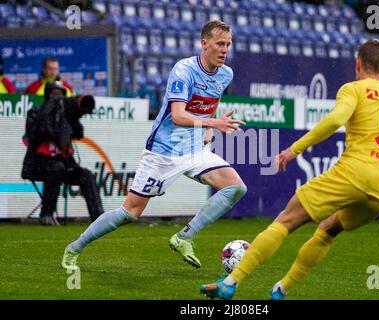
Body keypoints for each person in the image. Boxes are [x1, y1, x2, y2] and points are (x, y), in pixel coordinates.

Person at [200, 39, 379, 300]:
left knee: (286, 221)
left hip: (353, 173)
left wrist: (293, 150)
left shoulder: (354, 89)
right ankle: (281, 289)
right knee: (328, 229)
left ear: (357, 64)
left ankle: (230, 282)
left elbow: (335, 119)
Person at [61, 20, 247, 270]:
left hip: (193, 149)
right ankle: (74, 248)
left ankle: (184, 237)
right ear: (204, 44)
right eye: (219, 44)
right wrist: (212, 123)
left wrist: (207, 129)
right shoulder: (184, 70)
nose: (225, 50)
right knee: (130, 213)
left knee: (235, 187)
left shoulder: (226, 74)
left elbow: (212, 99)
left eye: (228, 44)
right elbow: (179, 116)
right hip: (163, 152)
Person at [21, 81, 103, 226]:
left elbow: (79, 134)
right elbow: (36, 134)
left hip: (64, 163)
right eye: (55, 94)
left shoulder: (66, 116)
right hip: (39, 165)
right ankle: (46, 214)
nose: (58, 98)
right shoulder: (35, 113)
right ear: (47, 95)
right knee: (56, 168)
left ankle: (98, 218)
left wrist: (73, 116)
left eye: (61, 95)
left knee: (87, 176)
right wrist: (49, 112)